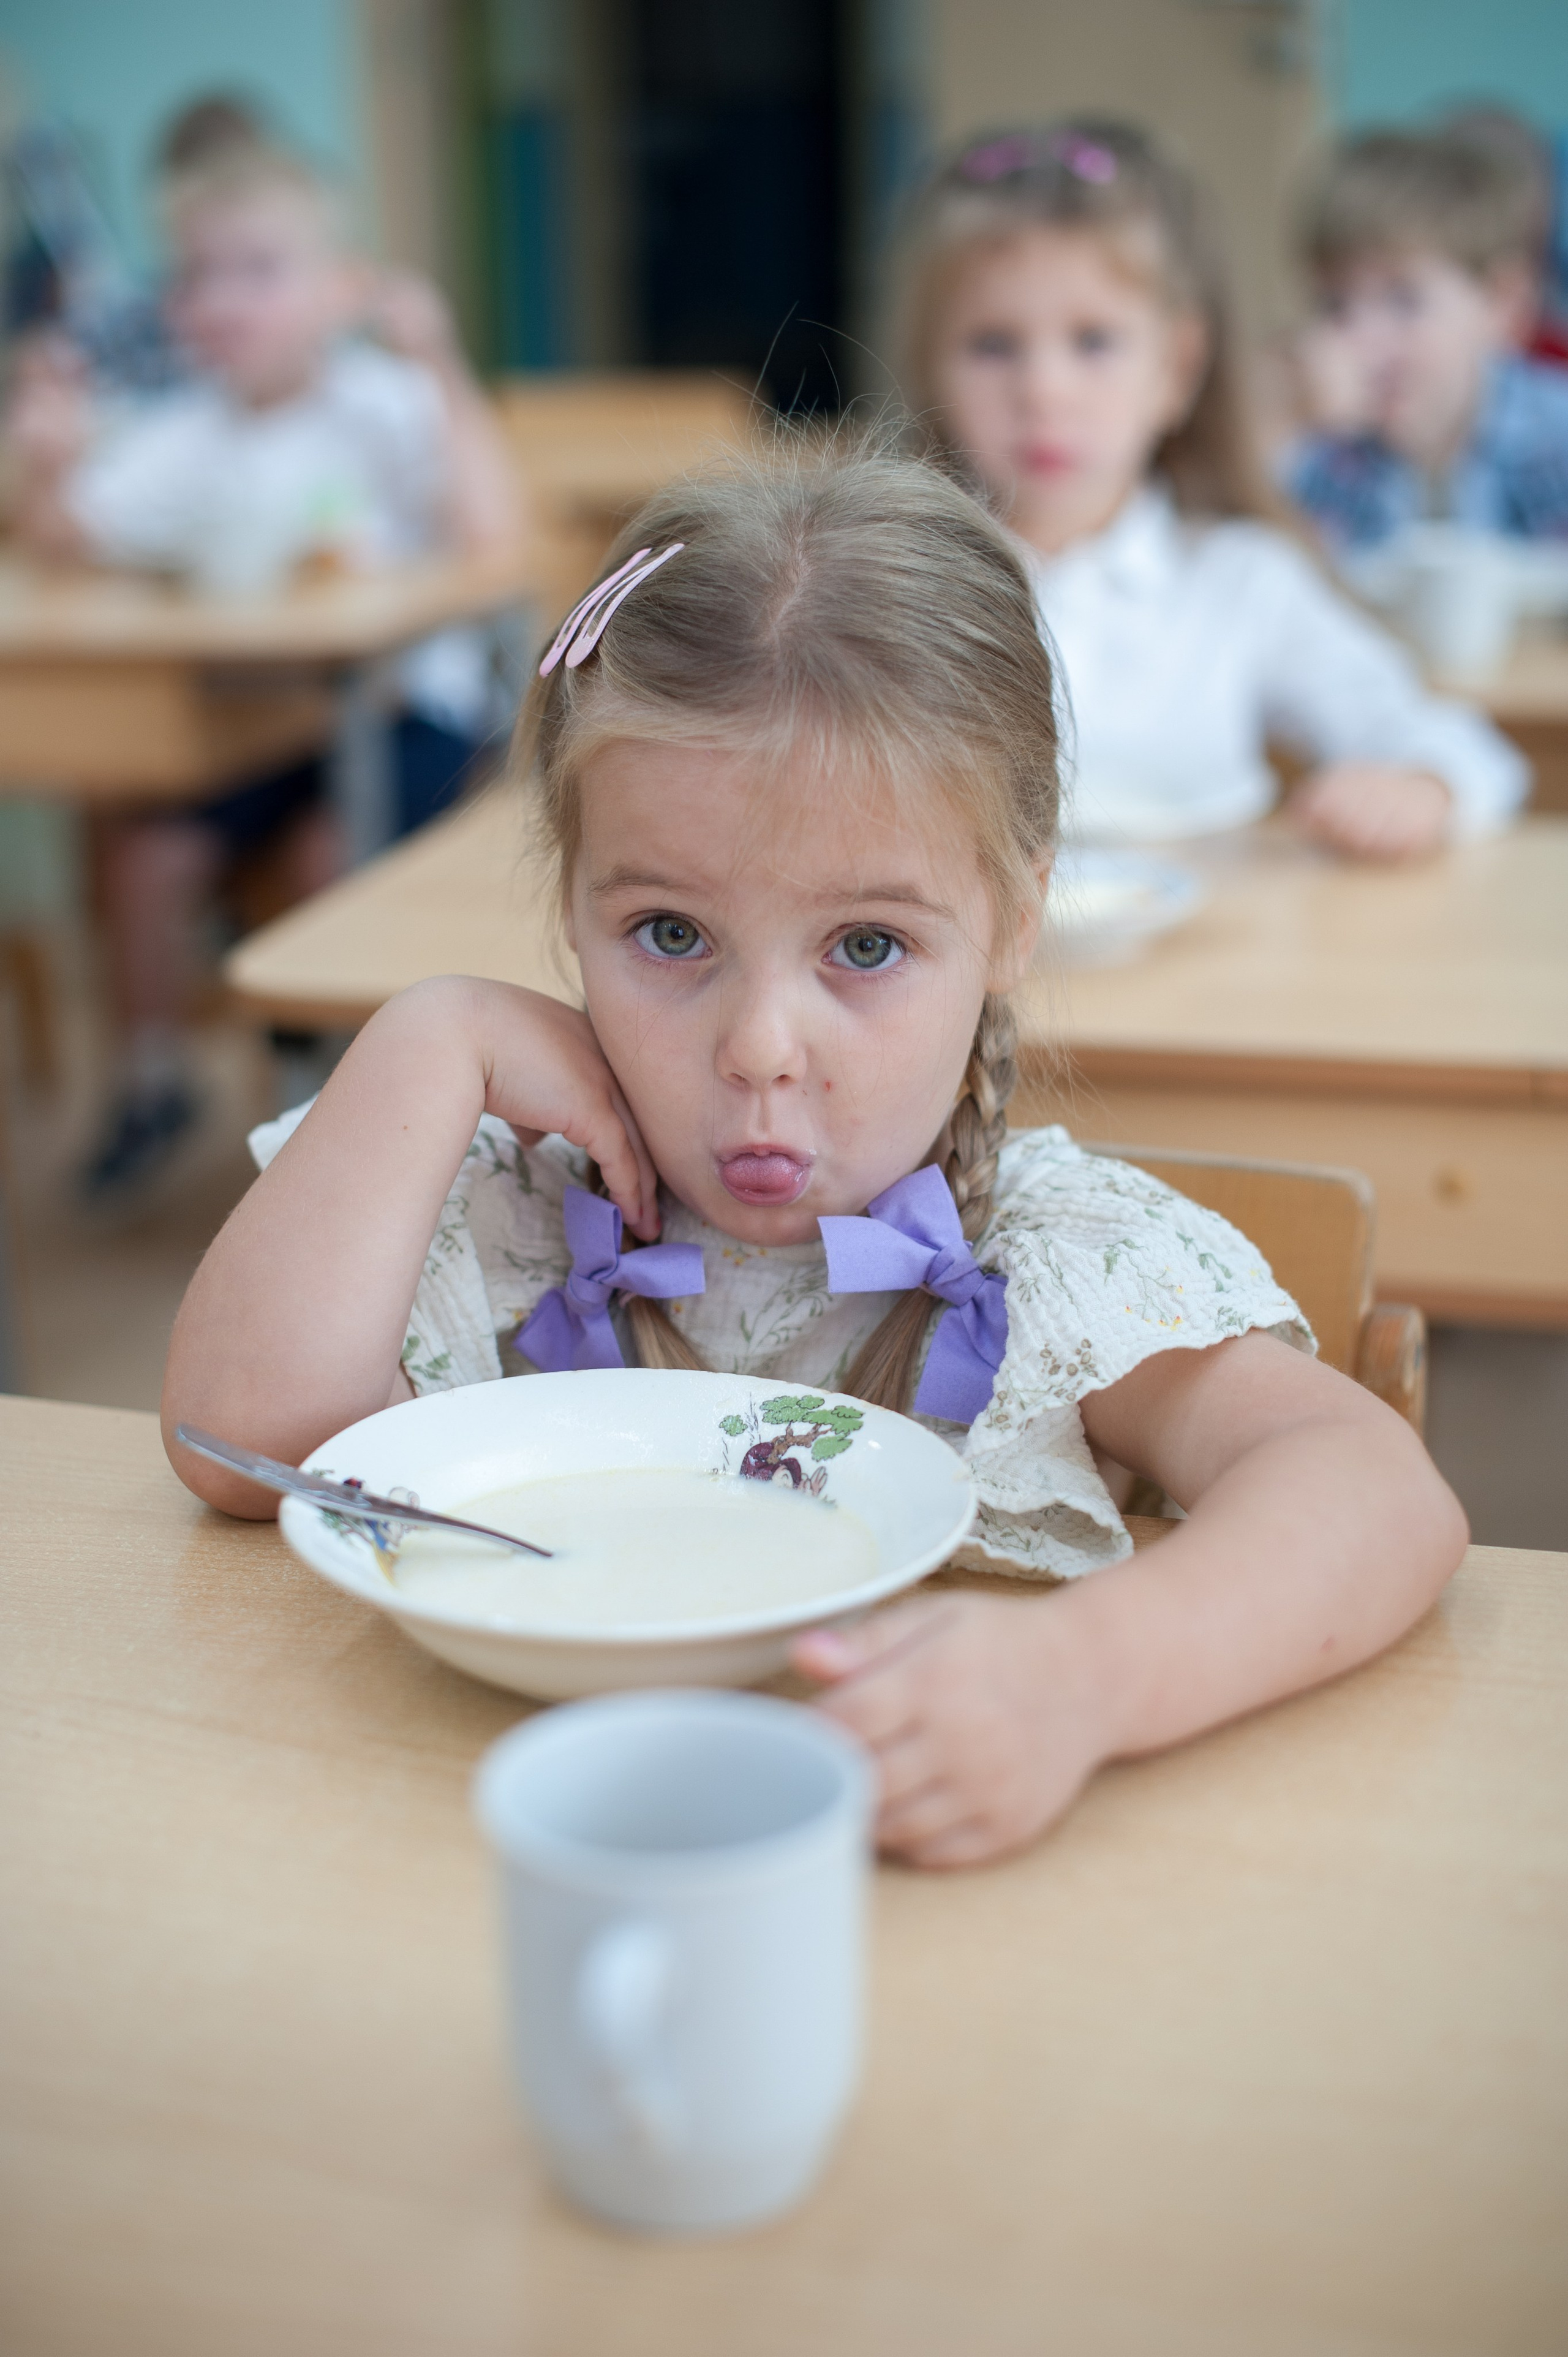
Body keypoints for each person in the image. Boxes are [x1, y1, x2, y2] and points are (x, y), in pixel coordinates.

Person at [162, 442, 1466, 1871]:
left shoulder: (1043, 1269)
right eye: (669, 934)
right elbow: (250, 1445)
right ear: (570, 905)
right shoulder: (499, 1200)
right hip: (499, 1850)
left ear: (1013, 918)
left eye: (866, 946)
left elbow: (1373, 1494)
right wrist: (430, 1038)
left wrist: (1083, 1676)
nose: (760, 1048)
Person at [2, 137, 523, 1201]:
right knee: (145, 854)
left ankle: (342, 1110)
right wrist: (45, 461)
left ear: (341, 291)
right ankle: (154, 1083)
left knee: (332, 851)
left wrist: (439, 362)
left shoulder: (384, 401)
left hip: (405, 711)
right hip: (265, 725)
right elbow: (68, 541)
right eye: (199, 274)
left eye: (259, 269)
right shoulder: (187, 431)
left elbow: (494, 537)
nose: (223, 300)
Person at [894, 119, 1527, 858]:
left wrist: (1424, 787)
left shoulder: (1241, 580)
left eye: (1093, 341)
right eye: (992, 345)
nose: (1043, 390)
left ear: (1177, 368)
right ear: (931, 365)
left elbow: (1457, 746)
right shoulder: (893, 583)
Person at [1287, 124, 1568, 549]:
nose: (1363, 341)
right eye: (1335, 307)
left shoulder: (1556, 437)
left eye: (1404, 301)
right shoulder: (1319, 451)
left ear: (1503, 304)